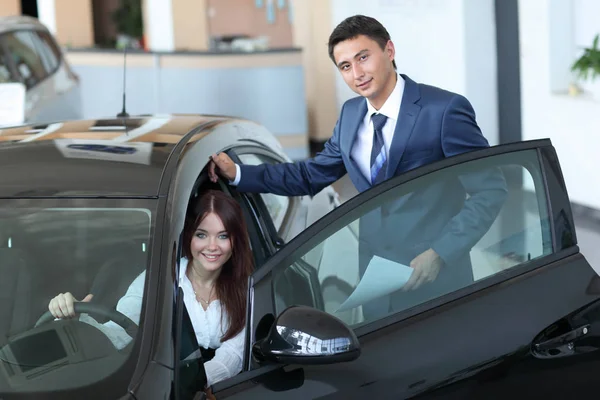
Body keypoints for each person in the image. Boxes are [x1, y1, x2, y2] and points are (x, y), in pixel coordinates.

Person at [208, 15, 507, 318]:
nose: (357, 73)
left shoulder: (444, 111)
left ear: (389, 50)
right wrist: (239, 173)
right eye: (346, 66)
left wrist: (440, 254)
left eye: (363, 57)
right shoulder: (351, 114)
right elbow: (311, 175)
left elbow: (490, 191)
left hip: (436, 284)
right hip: (377, 283)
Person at [48, 190, 254, 387]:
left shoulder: (246, 286)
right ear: (189, 235)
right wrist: (74, 318)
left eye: (223, 236)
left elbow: (235, 353)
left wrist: (196, 381)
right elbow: (121, 331)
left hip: (217, 388)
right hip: (164, 386)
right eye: (201, 235)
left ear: (235, 240)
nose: (212, 246)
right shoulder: (158, 280)